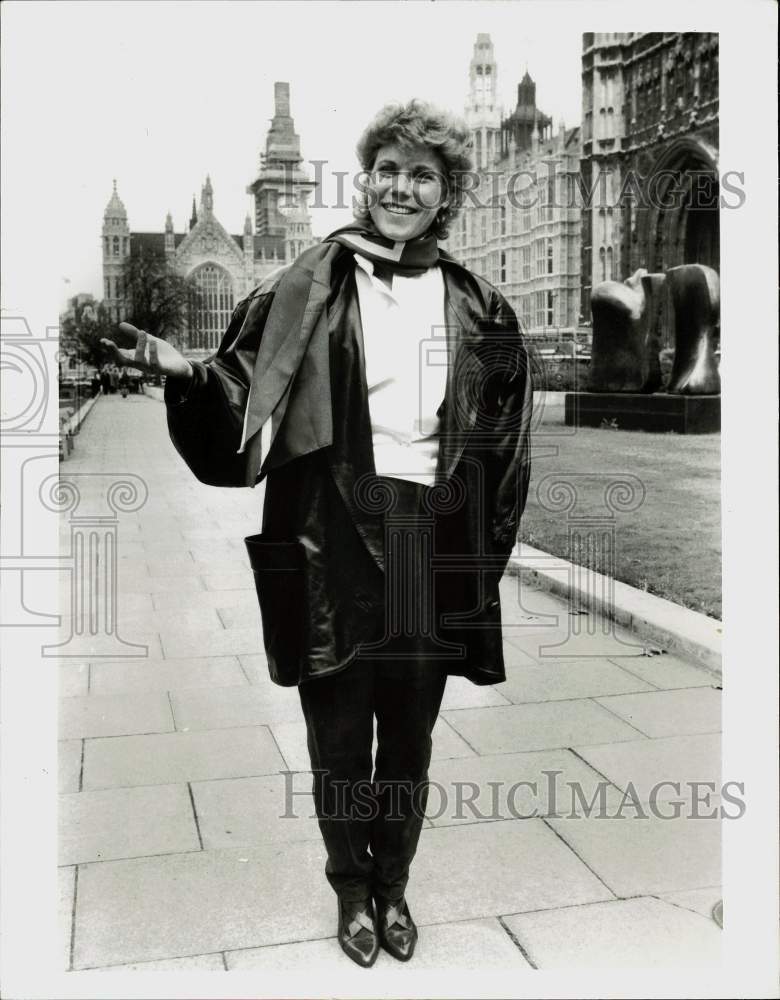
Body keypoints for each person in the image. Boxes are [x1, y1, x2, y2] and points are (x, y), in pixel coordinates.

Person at [101, 99, 532, 968]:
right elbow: (241, 386)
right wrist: (188, 375)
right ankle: (350, 891)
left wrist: (476, 562)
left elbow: (505, 448)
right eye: (389, 171)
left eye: (423, 175)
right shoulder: (311, 281)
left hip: (423, 540)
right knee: (338, 732)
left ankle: (396, 884)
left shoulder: (480, 306)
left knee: (408, 732)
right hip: (329, 525)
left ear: (445, 193)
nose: (401, 188)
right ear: (365, 179)